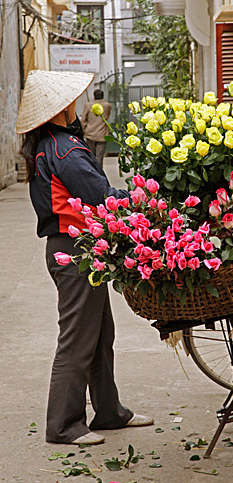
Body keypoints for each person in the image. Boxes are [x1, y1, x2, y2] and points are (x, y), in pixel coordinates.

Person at [16, 70, 153, 445]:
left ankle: (109, 411)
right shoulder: (66, 150)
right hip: (72, 252)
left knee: (100, 335)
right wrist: (144, 197)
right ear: (60, 110)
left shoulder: (51, 144)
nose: (77, 105)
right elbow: (102, 196)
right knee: (77, 341)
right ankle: (63, 426)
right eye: (72, 101)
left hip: (81, 251)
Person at [80, 88, 112, 168]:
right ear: (103, 96)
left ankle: (92, 173)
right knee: (99, 158)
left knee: (91, 157)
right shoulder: (107, 105)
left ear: (94, 96)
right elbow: (107, 117)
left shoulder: (88, 105)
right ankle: (100, 175)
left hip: (90, 134)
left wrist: (84, 131)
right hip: (102, 135)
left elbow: (83, 120)